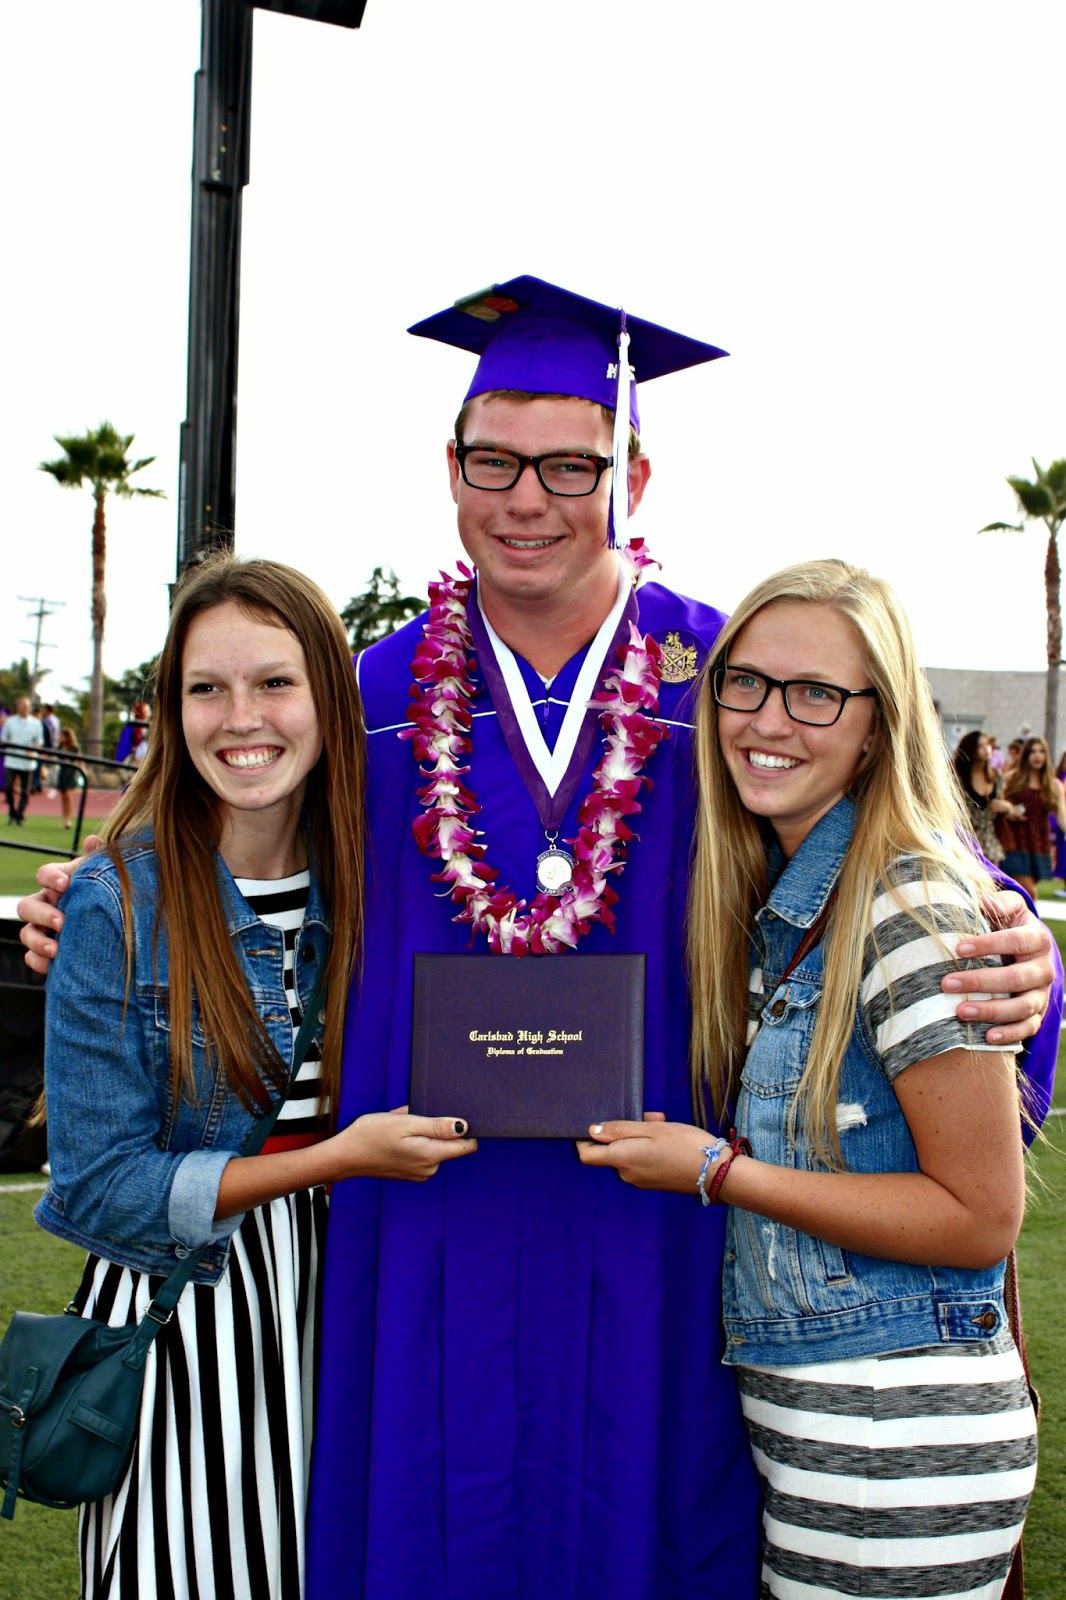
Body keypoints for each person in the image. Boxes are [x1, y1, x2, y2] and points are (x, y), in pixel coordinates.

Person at [17, 278, 1060, 1599]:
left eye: (568, 464)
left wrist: (1021, 948)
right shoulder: (365, 693)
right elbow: (222, 816)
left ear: (630, 470)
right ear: (448, 470)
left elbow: (899, 863)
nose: (526, 498)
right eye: (492, 461)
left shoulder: (730, 679)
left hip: (662, 1226)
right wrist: (98, 909)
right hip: (417, 1224)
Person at [582, 560, 1040, 1599]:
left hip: (895, 1434)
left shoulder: (909, 902)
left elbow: (977, 1216)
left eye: (815, 694)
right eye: (744, 682)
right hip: (827, 1425)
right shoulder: (791, 893)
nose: (767, 720)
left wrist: (716, 1171)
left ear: (878, 722)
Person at [34, 555, 474, 1600]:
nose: (242, 717)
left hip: (352, 1315)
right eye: (206, 687)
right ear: (171, 707)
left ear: (329, 695)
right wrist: (333, 1156)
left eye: (275, 682)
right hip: (185, 1327)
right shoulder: (114, 903)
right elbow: (98, 1186)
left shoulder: (384, 882)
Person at [998, 734, 1066, 895]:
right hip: (1013, 842)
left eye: (1041, 751)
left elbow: (1061, 815)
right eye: (1033, 752)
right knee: (1028, 891)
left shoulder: (1053, 784)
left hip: (1038, 844)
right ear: (1026, 755)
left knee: (1017, 893)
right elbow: (996, 806)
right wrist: (1009, 811)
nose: (1037, 756)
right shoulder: (1011, 779)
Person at [952, 728, 1012, 863]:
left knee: (993, 882)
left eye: (988, 745)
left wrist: (1007, 807)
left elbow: (1005, 806)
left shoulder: (996, 777)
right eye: (981, 746)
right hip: (965, 841)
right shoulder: (958, 779)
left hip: (990, 842)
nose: (987, 749)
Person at [2, 695, 43, 824]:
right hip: (12, 760)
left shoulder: (36, 723)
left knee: (25, 790)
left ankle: (20, 815)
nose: (25, 708)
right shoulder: (10, 721)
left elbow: (39, 741)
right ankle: (12, 812)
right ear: (18, 707)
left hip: (27, 762)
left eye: (27, 706)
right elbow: (4, 739)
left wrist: (33, 749)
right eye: (22, 705)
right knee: (8, 788)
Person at [54, 726, 84, 827]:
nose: (60, 738)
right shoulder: (60, 747)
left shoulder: (74, 748)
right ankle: (64, 819)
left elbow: (80, 760)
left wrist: (83, 770)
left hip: (70, 772)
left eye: (62, 736)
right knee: (63, 797)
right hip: (62, 772)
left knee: (68, 796)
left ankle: (68, 819)